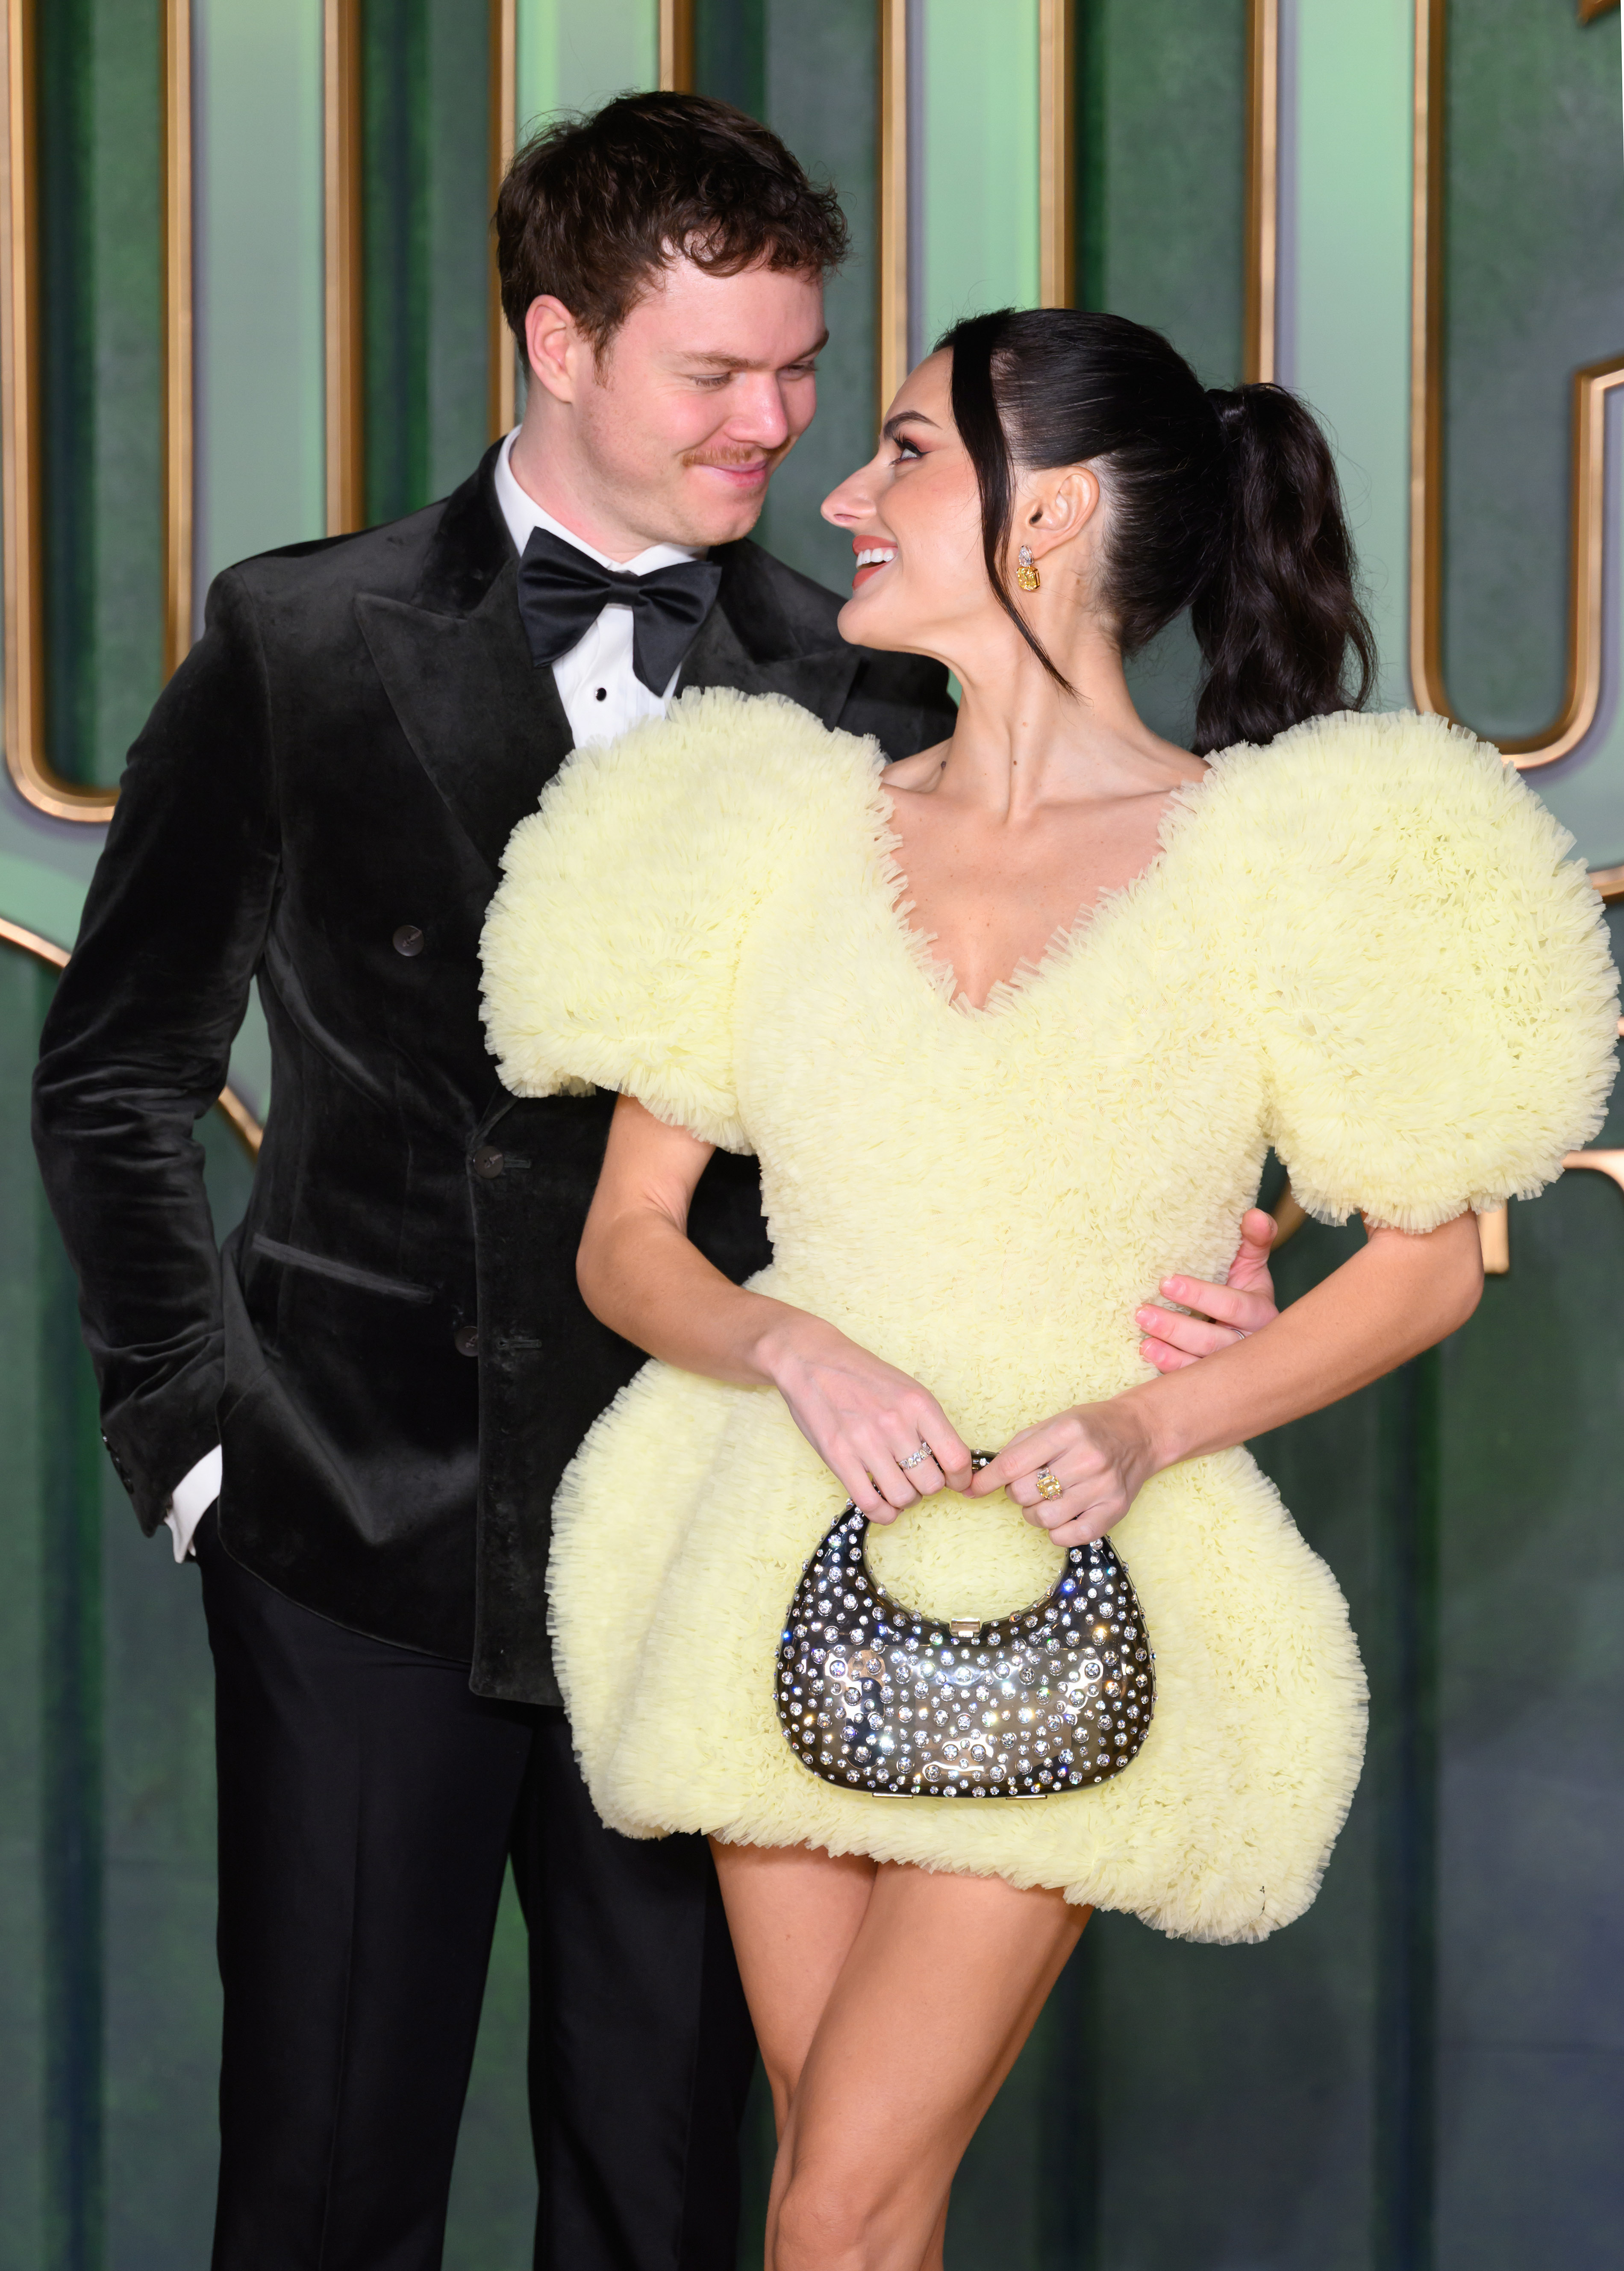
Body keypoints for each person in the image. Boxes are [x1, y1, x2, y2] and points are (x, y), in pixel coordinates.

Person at [29, 99, 1265, 2267]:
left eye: (804, 373)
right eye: (718, 374)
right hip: (351, 1527)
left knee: (674, 2190)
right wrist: (201, 1443)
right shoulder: (300, 636)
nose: (776, 426)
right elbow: (119, 1071)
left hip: (726, 1530)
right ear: (556, 344)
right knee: (320, 2186)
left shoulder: (878, 664)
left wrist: (1202, 1257)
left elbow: (1022, 1044)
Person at [480, 307, 1619, 2271]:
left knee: (831, 2210)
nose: (840, 485)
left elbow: (1428, 1265)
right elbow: (626, 1245)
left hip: (1082, 1567)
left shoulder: (1275, 859)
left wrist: (1152, 1419)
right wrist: (788, 1340)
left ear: (1051, 514)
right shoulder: (765, 833)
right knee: (854, 2203)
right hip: (772, 1539)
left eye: (905, 449)